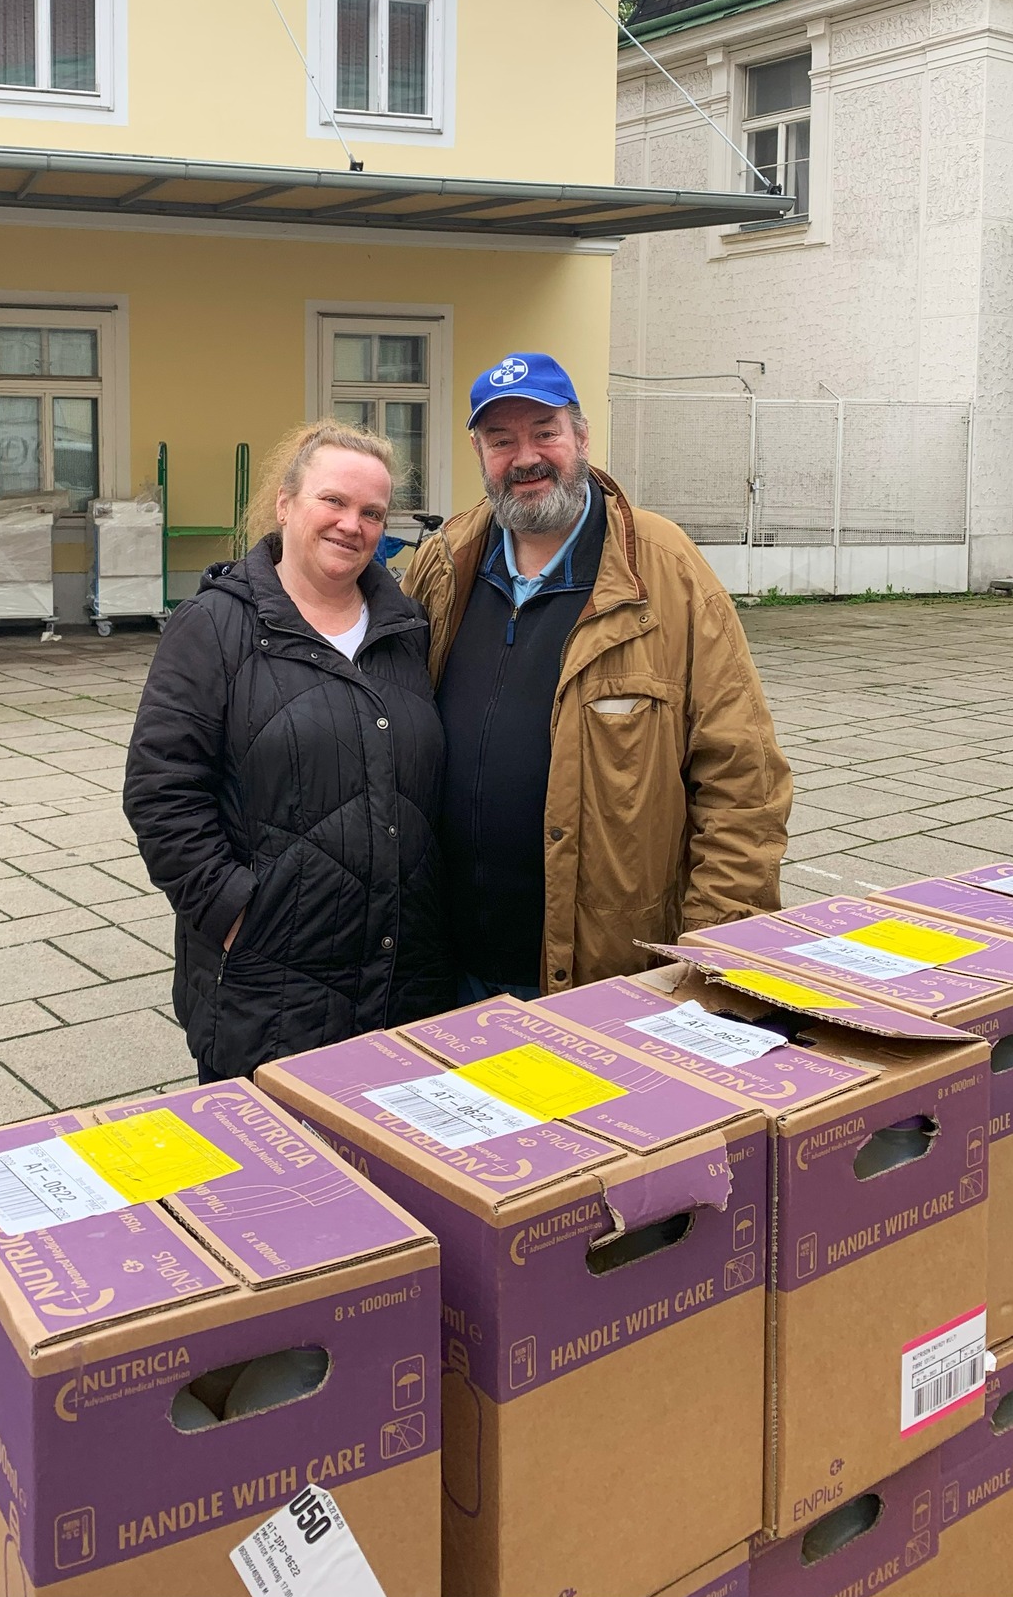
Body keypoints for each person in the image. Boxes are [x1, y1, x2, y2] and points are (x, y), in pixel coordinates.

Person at [403, 352, 791, 1003]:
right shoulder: (443, 565)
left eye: (544, 432)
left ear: (581, 438)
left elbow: (744, 784)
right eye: (501, 440)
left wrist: (712, 965)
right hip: (445, 972)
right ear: (479, 453)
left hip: (604, 981)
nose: (525, 456)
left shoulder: (666, 572)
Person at [123, 420, 453, 1081]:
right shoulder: (216, 626)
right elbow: (162, 789)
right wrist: (233, 912)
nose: (351, 525)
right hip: (270, 987)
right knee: (277, 1175)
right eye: (333, 501)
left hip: (403, 979)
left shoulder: (407, 628)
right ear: (285, 504)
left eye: (371, 513)